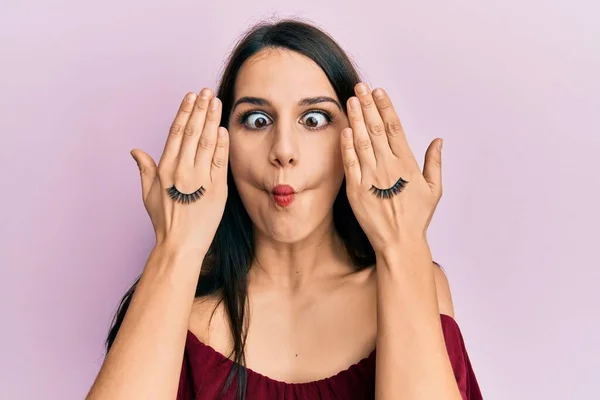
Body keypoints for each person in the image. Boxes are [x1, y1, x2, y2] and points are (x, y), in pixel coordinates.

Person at [86, 19, 483, 400]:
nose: (283, 152)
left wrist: (402, 244)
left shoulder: (414, 281)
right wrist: (175, 248)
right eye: (257, 120)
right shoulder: (177, 299)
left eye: (314, 119)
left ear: (358, 136)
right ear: (220, 143)